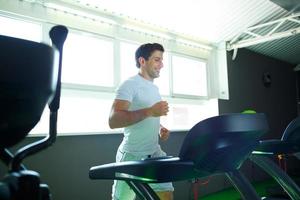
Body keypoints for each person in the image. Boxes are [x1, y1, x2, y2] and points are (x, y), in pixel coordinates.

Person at [109, 43, 174, 200]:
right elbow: (113, 120)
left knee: (166, 195)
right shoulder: (130, 84)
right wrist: (151, 111)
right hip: (132, 154)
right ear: (142, 61)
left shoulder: (154, 88)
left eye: (162, 60)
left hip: (154, 152)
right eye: (157, 60)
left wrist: (159, 128)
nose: (162, 65)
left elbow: (148, 117)